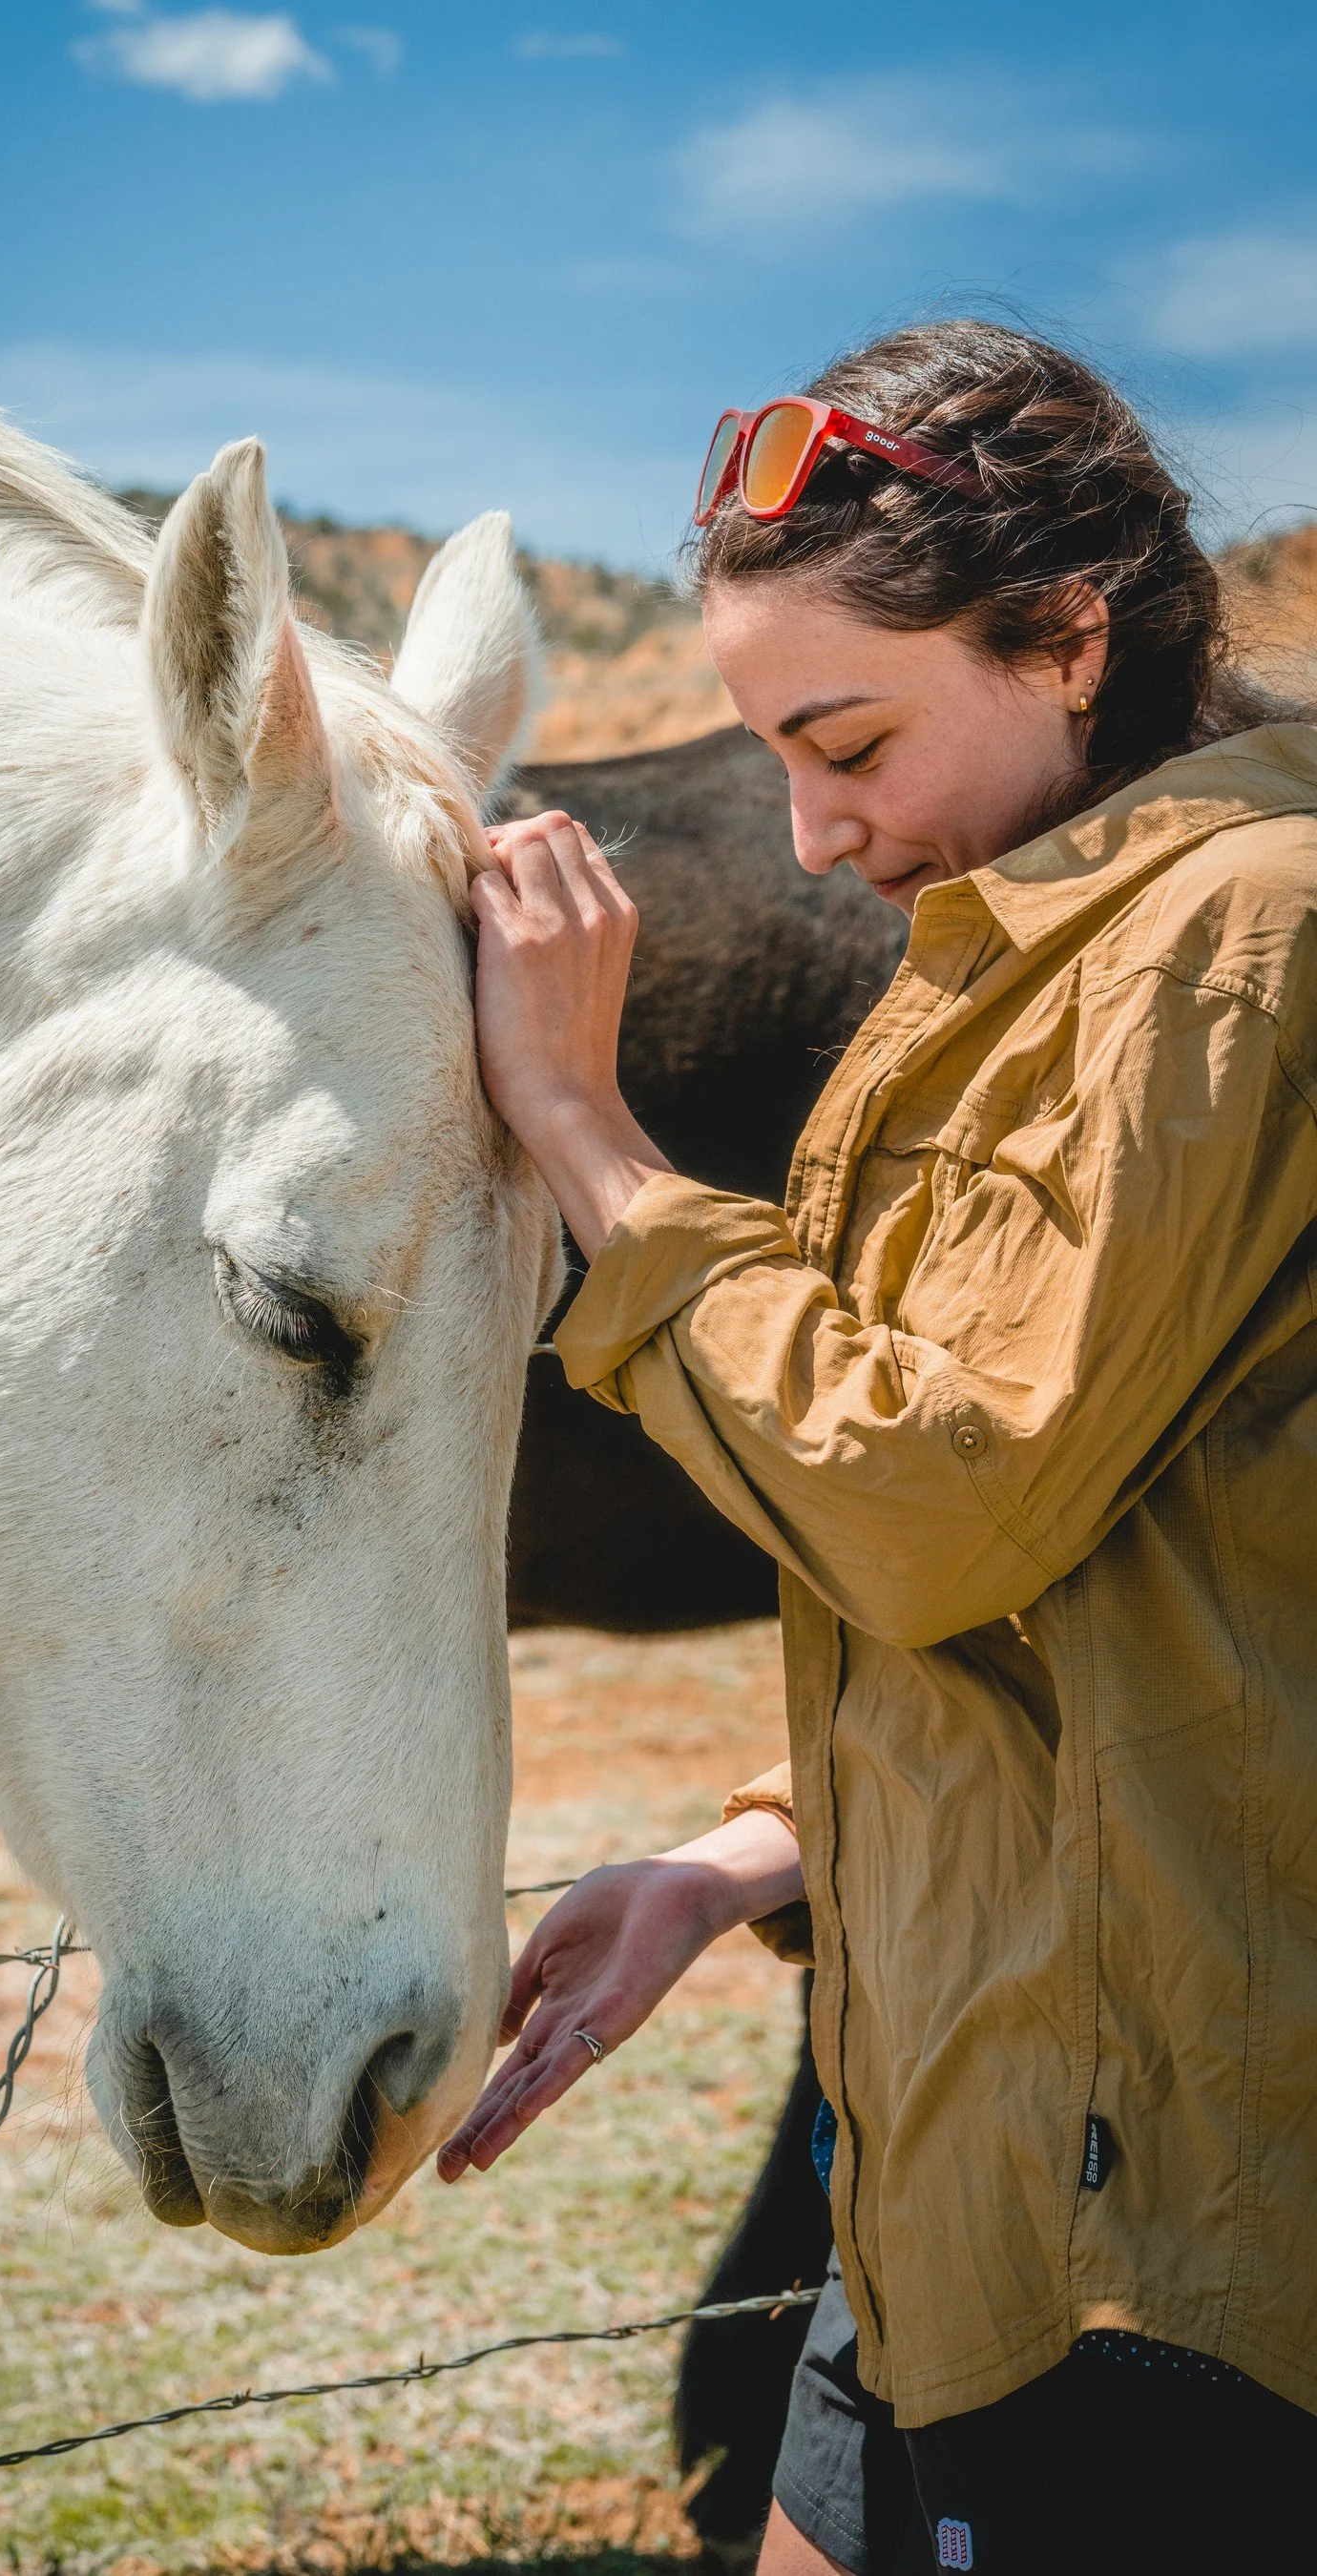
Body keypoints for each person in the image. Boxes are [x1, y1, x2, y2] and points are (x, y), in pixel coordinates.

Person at [437, 322, 1317, 2571]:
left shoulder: (1223, 945)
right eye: (771, 754)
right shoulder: (1028, 945)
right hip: (957, 2154)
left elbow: (933, 1514)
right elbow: (1072, 1576)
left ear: (1068, 633)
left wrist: (588, 1137)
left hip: (1160, 2196)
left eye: (846, 744)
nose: (813, 835)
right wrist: (738, 1861)